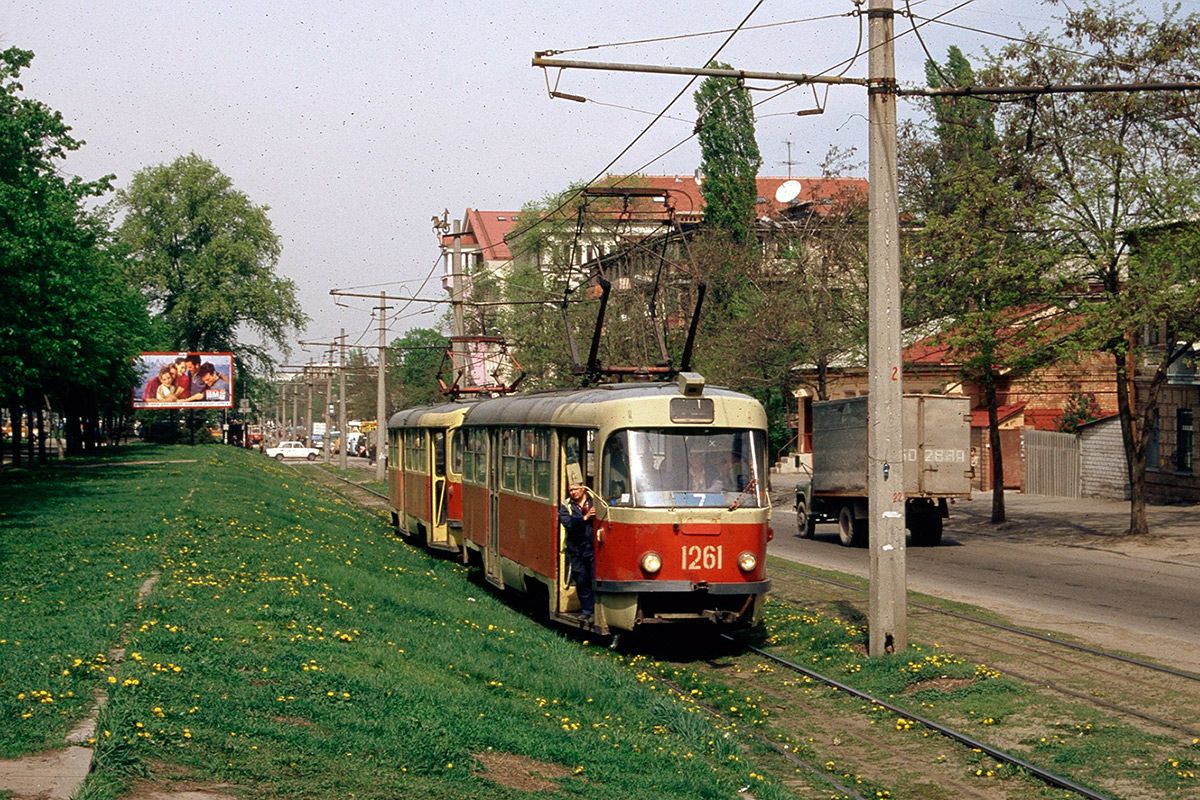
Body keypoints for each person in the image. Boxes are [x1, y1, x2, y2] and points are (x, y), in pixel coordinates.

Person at [557, 482, 598, 621]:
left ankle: (595, 612)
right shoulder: (566, 506)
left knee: (594, 578)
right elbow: (568, 523)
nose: (573, 492)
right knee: (581, 579)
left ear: (583, 488)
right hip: (576, 548)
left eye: (575, 489)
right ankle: (587, 610)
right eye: (570, 490)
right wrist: (585, 518)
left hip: (593, 547)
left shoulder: (595, 501)